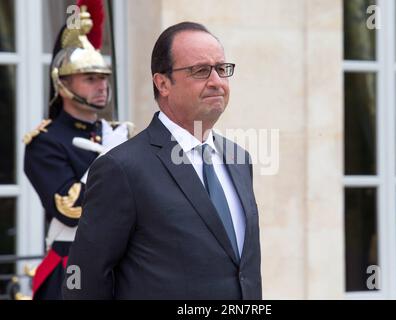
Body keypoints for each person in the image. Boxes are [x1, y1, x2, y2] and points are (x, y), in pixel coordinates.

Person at [63, 21, 262, 300]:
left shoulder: (239, 160)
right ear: (163, 83)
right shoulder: (122, 169)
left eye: (222, 69)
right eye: (201, 71)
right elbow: (85, 282)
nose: (217, 81)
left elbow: (242, 271)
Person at [23, 4, 133, 300]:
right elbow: (69, 211)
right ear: (63, 84)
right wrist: (105, 161)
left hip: (121, 265)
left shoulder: (115, 133)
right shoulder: (45, 142)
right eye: (90, 79)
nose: (102, 86)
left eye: (104, 77)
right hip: (71, 268)